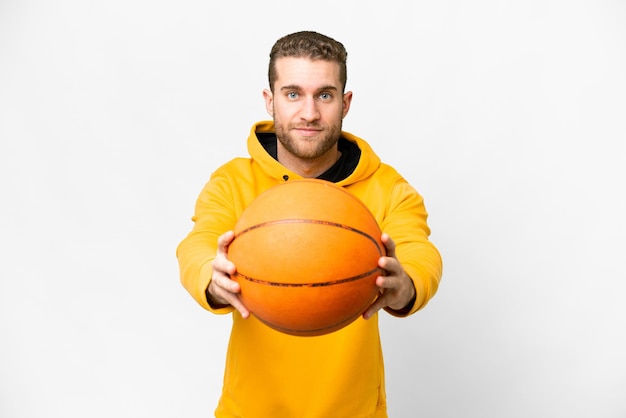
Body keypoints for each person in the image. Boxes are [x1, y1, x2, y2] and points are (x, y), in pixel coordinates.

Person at [176, 30, 443, 418]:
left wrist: (407, 284)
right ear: (270, 101)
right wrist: (210, 276)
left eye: (325, 95)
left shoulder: (387, 188)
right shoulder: (233, 182)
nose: (309, 113)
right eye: (293, 94)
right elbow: (197, 244)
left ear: (345, 103)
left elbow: (419, 250)